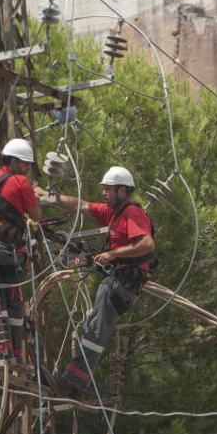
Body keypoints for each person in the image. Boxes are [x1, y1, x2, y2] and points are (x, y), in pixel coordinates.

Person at [37, 166, 155, 392]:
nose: (104, 193)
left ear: (122, 191)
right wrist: (50, 197)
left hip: (122, 283)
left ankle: (73, 383)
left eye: (108, 189)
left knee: (96, 332)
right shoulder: (114, 213)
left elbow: (147, 244)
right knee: (91, 330)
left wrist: (113, 254)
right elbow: (80, 205)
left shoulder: (132, 212)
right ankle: (76, 380)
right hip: (114, 282)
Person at [0, 138, 43, 360]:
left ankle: (2, 352)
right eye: (25, 164)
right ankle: (17, 353)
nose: (28, 169)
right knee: (13, 301)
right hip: (9, 254)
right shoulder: (20, 182)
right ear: (13, 161)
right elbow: (36, 216)